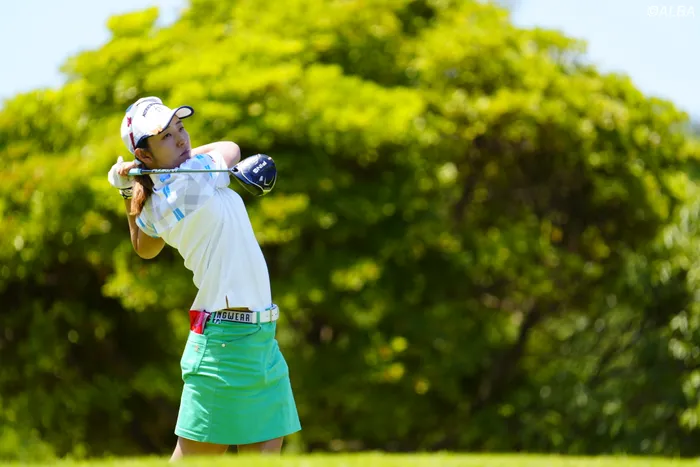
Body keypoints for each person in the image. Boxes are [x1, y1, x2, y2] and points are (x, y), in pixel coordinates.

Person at [107, 96, 301, 460]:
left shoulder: (162, 198)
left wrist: (129, 186)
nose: (182, 139)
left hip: (258, 337)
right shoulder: (192, 180)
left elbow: (144, 246)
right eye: (166, 136)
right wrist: (144, 173)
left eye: (180, 128)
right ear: (145, 154)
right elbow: (231, 147)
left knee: (264, 454)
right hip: (226, 344)